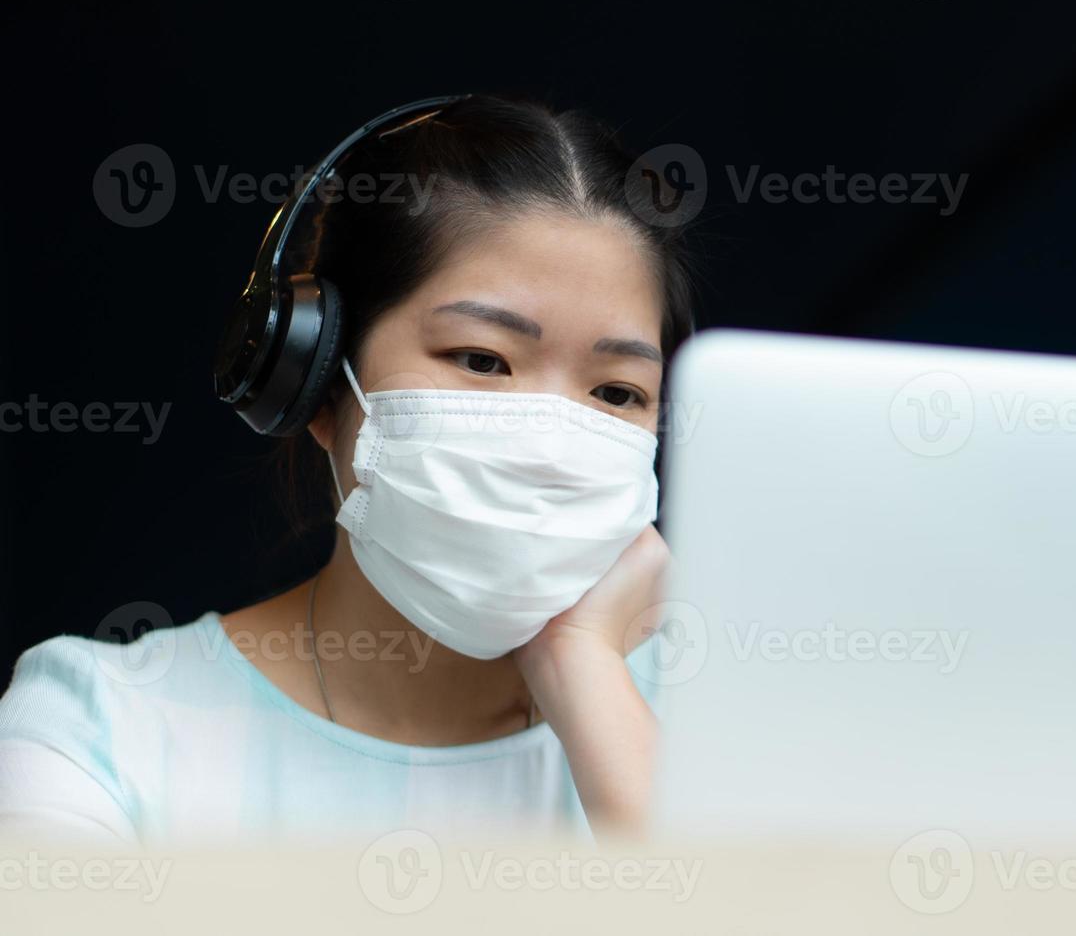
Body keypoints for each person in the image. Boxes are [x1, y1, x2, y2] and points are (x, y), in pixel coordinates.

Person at [0, 94, 697, 846]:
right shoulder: (103, 725)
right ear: (319, 383)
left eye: (616, 393)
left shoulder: (737, 707)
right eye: (481, 359)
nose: (555, 443)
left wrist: (582, 668)